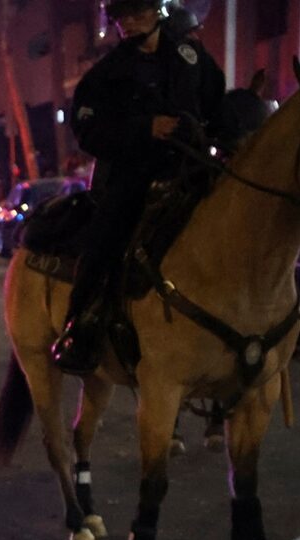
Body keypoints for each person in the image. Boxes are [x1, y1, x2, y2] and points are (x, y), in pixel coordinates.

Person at [51, 0, 227, 372]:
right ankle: (80, 325)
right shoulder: (105, 76)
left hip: (191, 167)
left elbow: (217, 106)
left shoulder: (190, 57)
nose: (127, 24)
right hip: (135, 175)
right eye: (120, 18)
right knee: (105, 238)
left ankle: (283, 312)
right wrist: (145, 128)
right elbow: (88, 131)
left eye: (136, 13)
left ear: (157, 10)